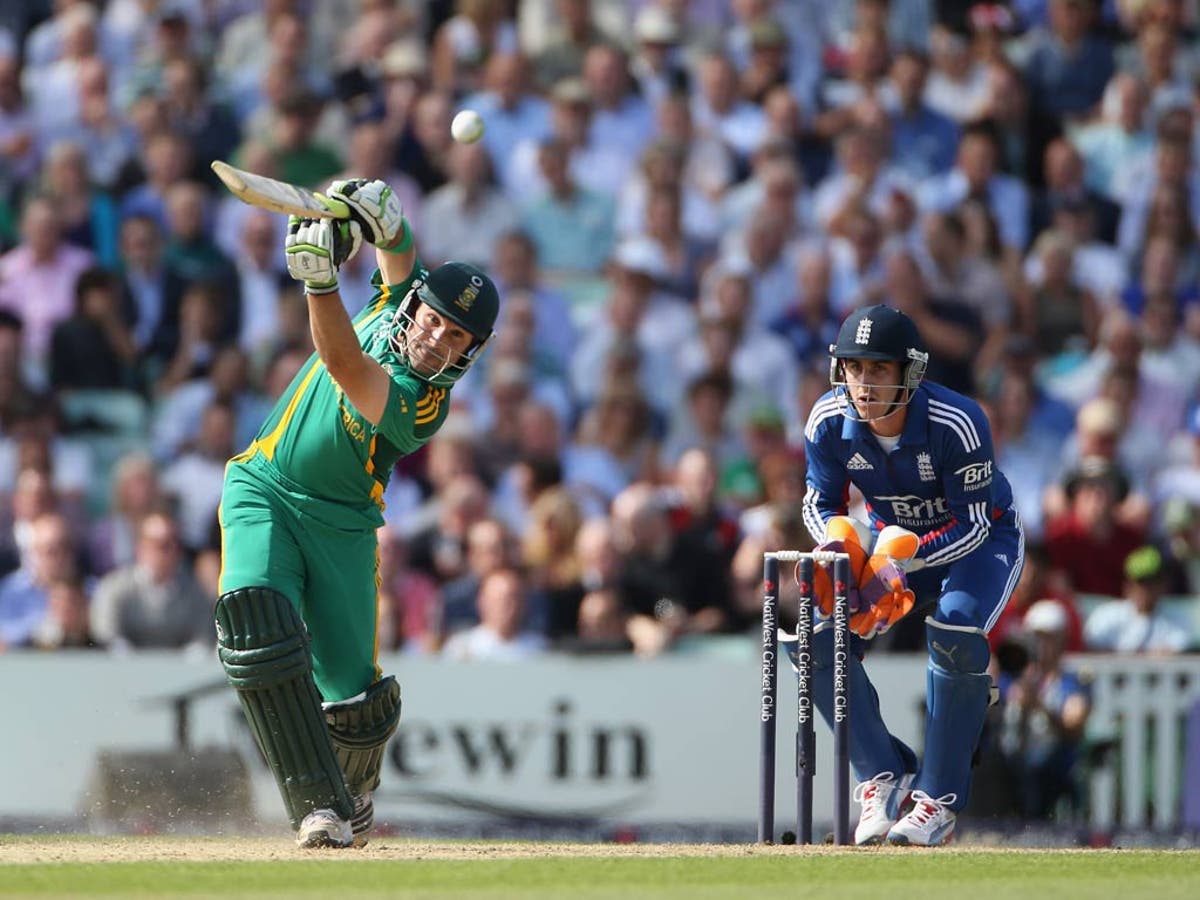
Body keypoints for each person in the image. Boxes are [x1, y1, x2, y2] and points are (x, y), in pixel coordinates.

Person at [215, 177, 500, 849]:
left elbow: (341, 360)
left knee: (357, 707)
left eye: (454, 337)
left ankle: (353, 795)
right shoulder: (399, 298)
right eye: (433, 320)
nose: (435, 338)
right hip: (263, 485)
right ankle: (318, 808)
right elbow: (396, 250)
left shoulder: (424, 404)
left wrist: (318, 286)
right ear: (417, 308)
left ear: (467, 354)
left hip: (342, 525)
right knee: (256, 623)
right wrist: (383, 215)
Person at [799, 305, 1024, 846]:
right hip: (888, 547)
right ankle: (882, 777)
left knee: (955, 629)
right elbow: (817, 503)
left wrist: (896, 563)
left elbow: (972, 526)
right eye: (855, 368)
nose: (864, 383)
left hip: (977, 542)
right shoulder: (828, 420)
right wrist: (841, 546)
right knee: (819, 635)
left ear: (910, 372)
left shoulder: (959, 420)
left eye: (879, 370)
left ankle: (937, 800)